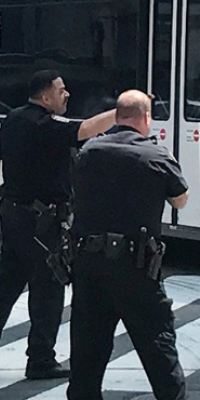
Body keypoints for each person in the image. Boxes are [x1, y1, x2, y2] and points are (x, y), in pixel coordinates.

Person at [0, 70, 117, 379]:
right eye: (61, 90)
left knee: (4, 287)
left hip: (14, 215)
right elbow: (86, 129)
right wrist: (124, 110)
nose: (67, 95)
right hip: (42, 221)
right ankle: (41, 359)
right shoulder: (46, 124)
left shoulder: (15, 118)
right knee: (48, 290)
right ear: (46, 96)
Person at [67, 90, 189, 399]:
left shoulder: (90, 151)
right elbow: (181, 200)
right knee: (157, 342)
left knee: (88, 345)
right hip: (135, 265)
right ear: (145, 118)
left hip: (89, 261)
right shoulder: (155, 155)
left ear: (118, 116)